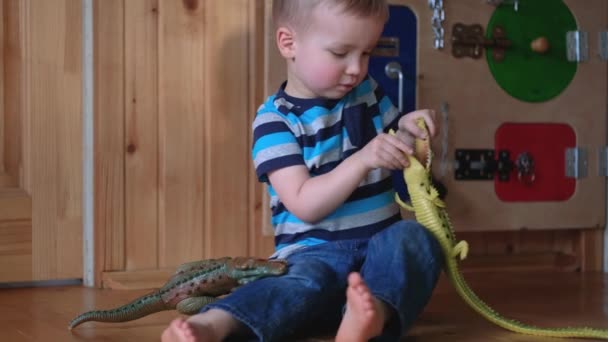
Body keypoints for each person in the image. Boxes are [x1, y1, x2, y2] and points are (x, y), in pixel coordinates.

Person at [161, 0, 443, 341]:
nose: (356, 68)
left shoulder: (368, 93)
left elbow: (396, 146)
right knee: (294, 284)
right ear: (288, 43)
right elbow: (305, 204)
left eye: (367, 52)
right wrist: (362, 160)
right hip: (313, 256)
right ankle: (213, 326)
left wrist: (412, 132)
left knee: (415, 240)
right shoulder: (275, 122)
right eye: (340, 53)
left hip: (378, 252)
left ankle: (369, 319)